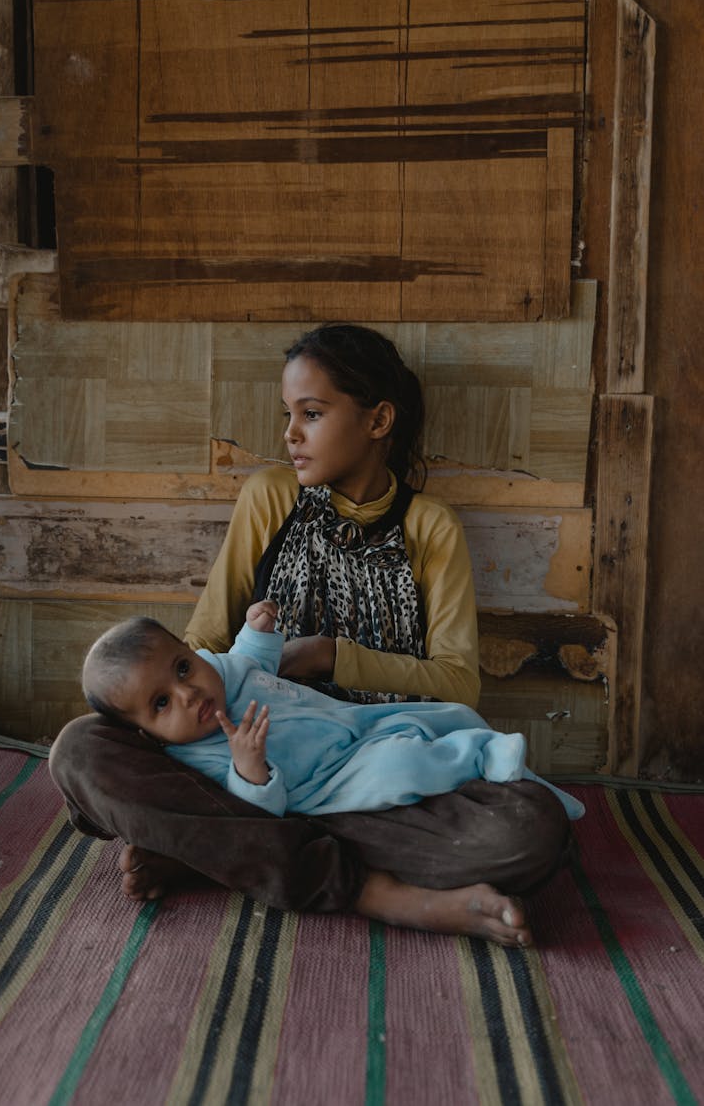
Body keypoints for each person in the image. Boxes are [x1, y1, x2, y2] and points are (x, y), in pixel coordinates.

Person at [50, 323, 576, 947]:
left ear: (378, 420)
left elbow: (458, 681)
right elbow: (202, 642)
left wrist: (330, 655)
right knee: (83, 747)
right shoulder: (271, 498)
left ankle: (213, 853)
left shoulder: (430, 527)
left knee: (530, 828)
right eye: (288, 414)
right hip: (238, 763)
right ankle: (376, 892)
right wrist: (193, 703)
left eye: (313, 414)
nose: (290, 434)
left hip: (376, 778)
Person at [82, 601, 584, 822]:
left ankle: (540, 791)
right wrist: (250, 769)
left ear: (192, 652)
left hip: (356, 726)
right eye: (162, 703)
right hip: (331, 782)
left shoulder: (221, 673)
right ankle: (482, 761)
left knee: (453, 714)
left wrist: (257, 630)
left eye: (182, 668)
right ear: (149, 734)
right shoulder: (199, 759)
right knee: (403, 765)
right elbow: (256, 814)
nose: (187, 693)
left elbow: (249, 662)